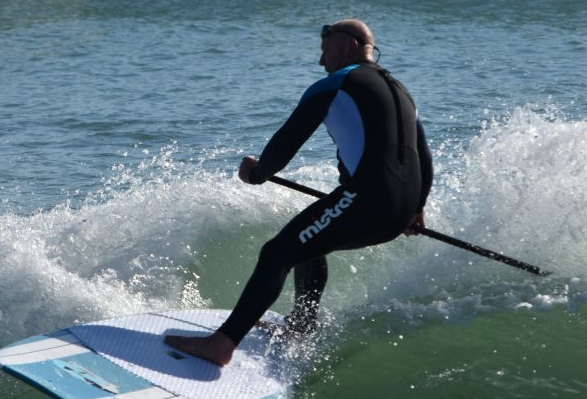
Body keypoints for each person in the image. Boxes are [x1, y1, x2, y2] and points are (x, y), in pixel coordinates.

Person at [166, 19, 433, 366]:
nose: (322, 61)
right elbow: (422, 154)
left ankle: (222, 344)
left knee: (277, 253)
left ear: (350, 46)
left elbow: (287, 140)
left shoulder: (337, 84)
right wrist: (415, 209)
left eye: (325, 50)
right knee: (309, 243)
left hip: (367, 200)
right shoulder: (401, 91)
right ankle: (302, 327)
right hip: (401, 208)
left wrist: (258, 173)